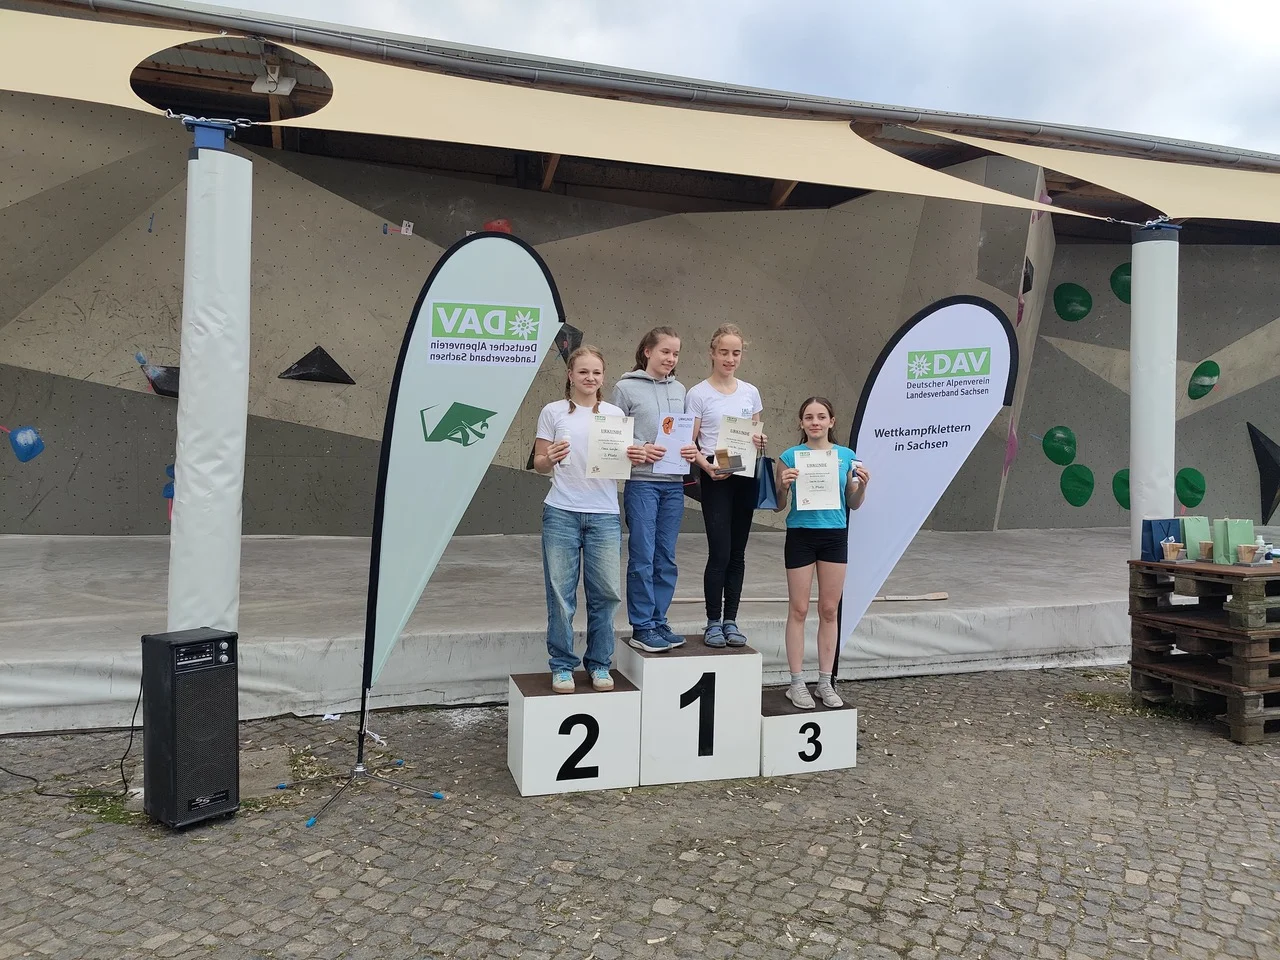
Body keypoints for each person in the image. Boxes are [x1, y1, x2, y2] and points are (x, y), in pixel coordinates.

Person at [532, 346, 648, 693]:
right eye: (583, 372)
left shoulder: (614, 414)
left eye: (596, 372)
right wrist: (548, 457)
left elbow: (626, 462)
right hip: (561, 512)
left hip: (604, 515)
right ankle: (562, 665)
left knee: (606, 594)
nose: (590, 378)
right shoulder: (553, 412)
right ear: (570, 375)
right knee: (560, 594)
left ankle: (599, 664)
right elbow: (538, 462)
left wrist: (635, 456)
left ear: (603, 376)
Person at [774, 397, 870, 708]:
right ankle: (796, 682)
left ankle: (825, 682)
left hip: (834, 537)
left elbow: (853, 504)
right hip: (801, 536)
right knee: (798, 609)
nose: (815, 422)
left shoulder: (847, 457)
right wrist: (782, 487)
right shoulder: (789, 457)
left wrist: (863, 487)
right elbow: (777, 505)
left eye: (821, 417)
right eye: (809, 417)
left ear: (832, 421)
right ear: (801, 423)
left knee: (829, 610)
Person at [611, 327, 698, 653]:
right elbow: (612, 433)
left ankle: (659, 621)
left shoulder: (680, 389)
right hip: (643, 484)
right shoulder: (625, 388)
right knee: (643, 557)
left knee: (666, 558)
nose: (671, 358)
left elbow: (684, 432)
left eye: (675, 353)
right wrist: (639, 446)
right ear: (647, 351)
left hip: (674, 485)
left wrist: (690, 449)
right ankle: (642, 626)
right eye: (665, 351)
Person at [685, 323, 767, 649]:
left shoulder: (750, 392)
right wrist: (706, 466)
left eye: (736, 353)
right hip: (716, 479)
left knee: (737, 553)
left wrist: (760, 440)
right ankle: (712, 622)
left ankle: (731, 619)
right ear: (712, 353)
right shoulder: (698, 394)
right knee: (718, 551)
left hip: (744, 478)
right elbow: (689, 444)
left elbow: (756, 437)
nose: (730, 359)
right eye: (724, 352)